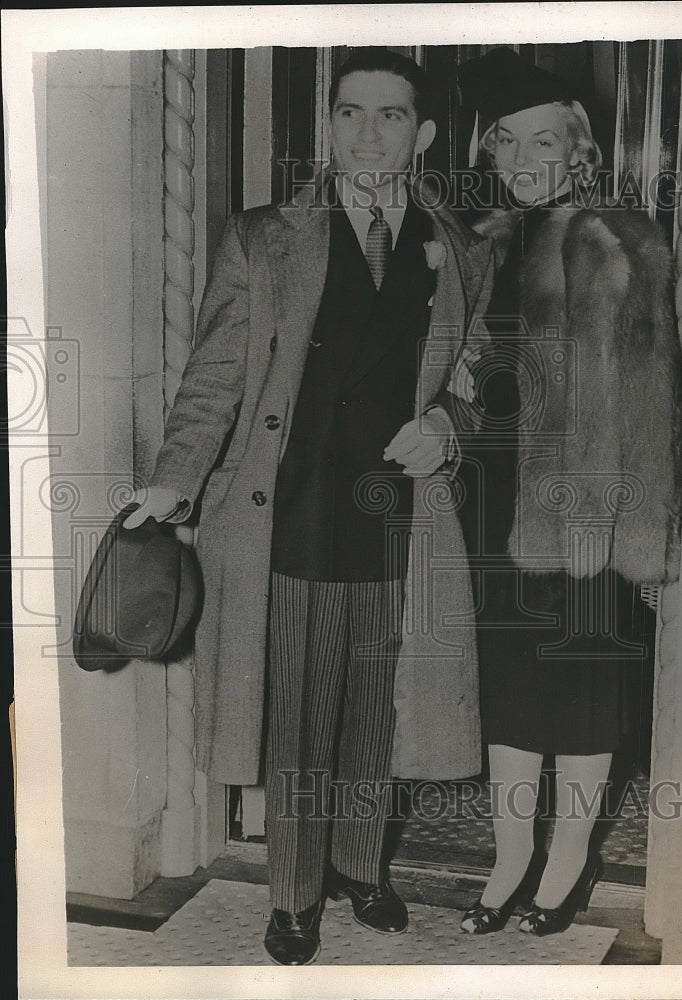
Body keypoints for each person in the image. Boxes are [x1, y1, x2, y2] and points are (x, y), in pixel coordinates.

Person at [125, 47, 493, 965]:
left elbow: (484, 366)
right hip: (287, 510)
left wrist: (448, 420)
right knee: (297, 714)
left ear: (425, 134)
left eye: (391, 116)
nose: (368, 133)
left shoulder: (465, 245)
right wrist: (172, 479)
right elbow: (213, 376)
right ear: (328, 125)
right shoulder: (263, 235)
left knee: (378, 705)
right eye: (351, 113)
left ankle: (363, 865)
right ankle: (293, 895)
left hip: (400, 518)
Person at [454, 48, 682, 937]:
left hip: (574, 506)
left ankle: (567, 863)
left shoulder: (606, 234)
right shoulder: (499, 240)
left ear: (577, 144)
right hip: (500, 502)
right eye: (507, 143)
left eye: (541, 140)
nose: (522, 159)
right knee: (512, 692)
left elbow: (623, 384)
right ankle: (512, 855)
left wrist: (590, 505)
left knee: (580, 691)